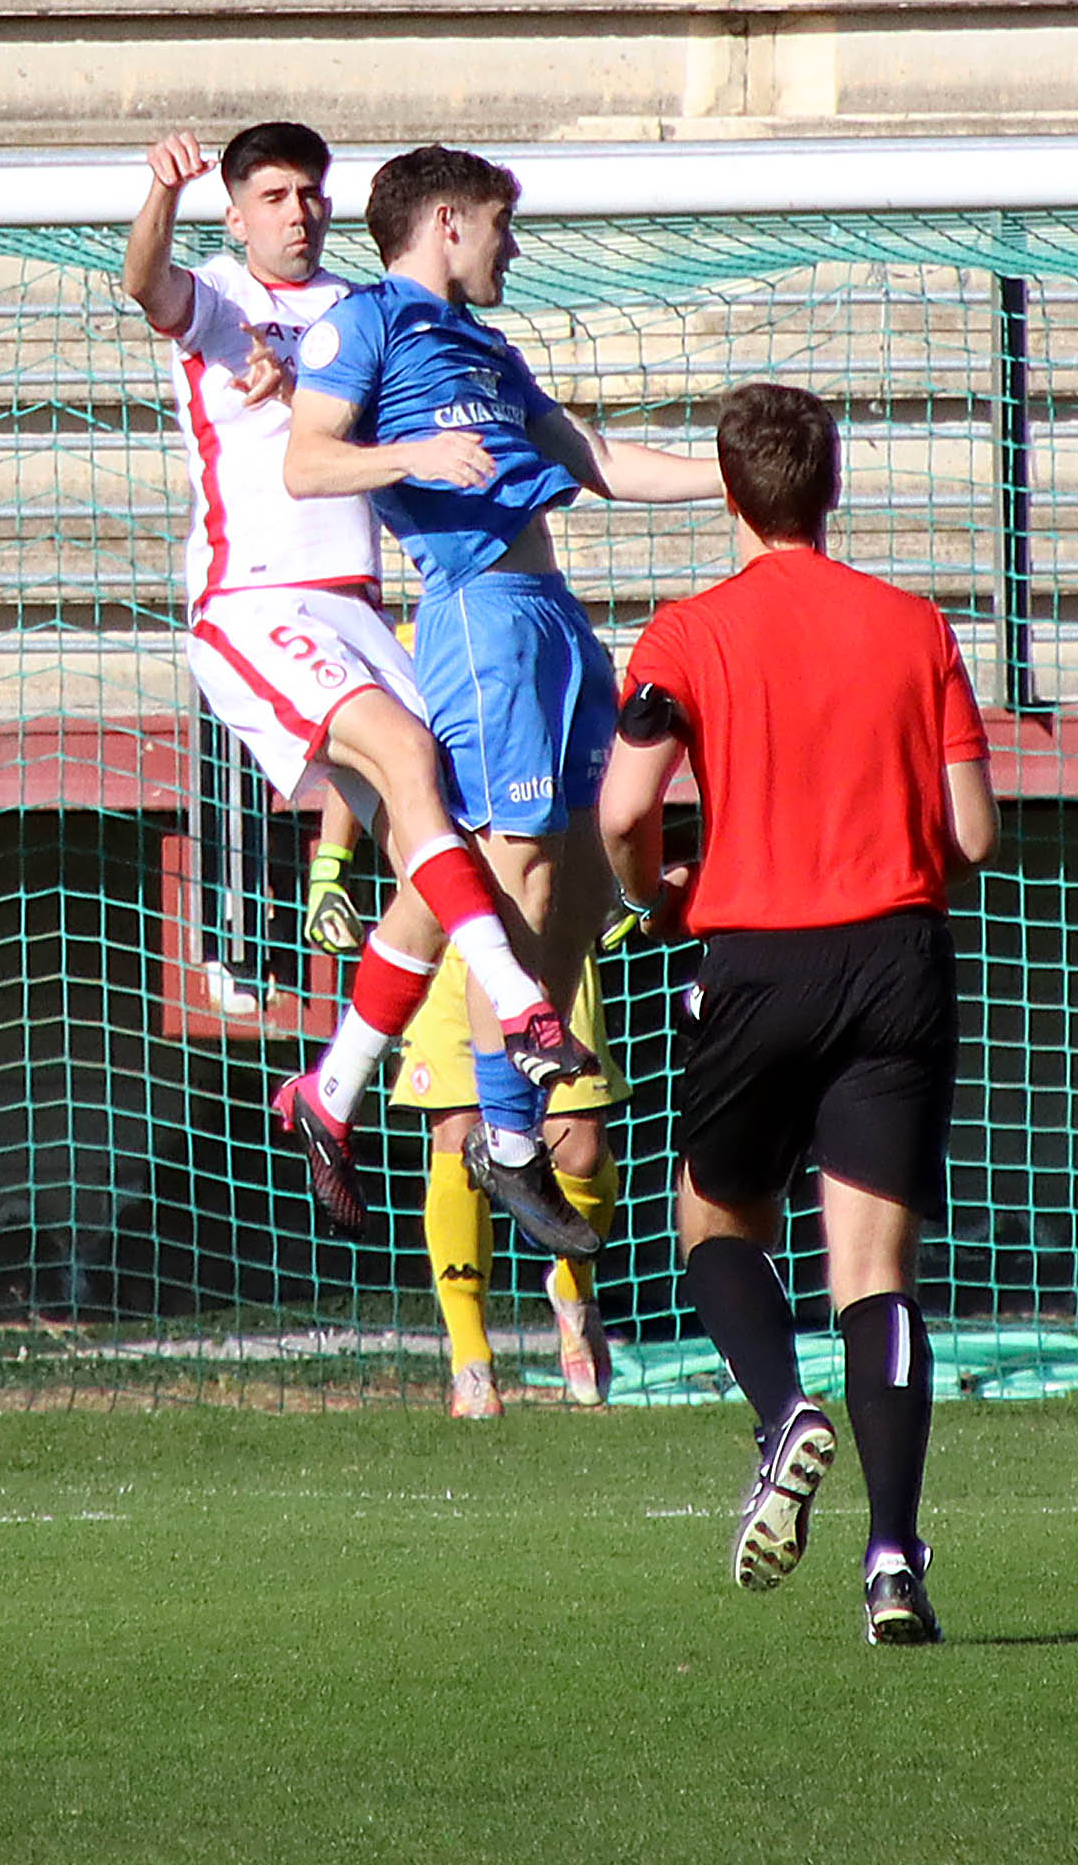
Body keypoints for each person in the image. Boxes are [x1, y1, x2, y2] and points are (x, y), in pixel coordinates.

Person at [115, 124, 596, 1258]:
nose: (297, 212)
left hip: (361, 608)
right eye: (273, 196)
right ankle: (523, 1012)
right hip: (258, 597)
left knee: (447, 864)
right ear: (234, 214)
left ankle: (329, 1093)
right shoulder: (220, 298)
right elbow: (142, 282)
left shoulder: (364, 314)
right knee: (413, 764)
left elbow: (376, 412)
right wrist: (156, 194)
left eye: (310, 194)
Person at [599, 383, 997, 1647]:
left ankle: (781, 1412)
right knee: (874, 1273)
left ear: (727, 493)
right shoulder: (915, 625)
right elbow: (975, 831)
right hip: (897, 958)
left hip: (756, 956)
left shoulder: (683, 636)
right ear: (833, 487)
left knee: (713, 1216)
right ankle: (893, 1560)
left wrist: (655, 890)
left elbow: (622, 811)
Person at [283, 145, 723, 1251]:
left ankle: (512, 1120)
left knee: (575, 889)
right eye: (500, 226)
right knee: (513, 866)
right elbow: (307, 462)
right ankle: (511, 1138)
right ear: (445, 223)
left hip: (554, 613)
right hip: (476, 613)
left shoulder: (486, 344)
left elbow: (598, 459)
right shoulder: (367, 323)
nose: (512, 248)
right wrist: (411, 450)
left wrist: (739, 474)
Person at [390, 951, 622, 1417]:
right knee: (458, 1138)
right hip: (452, 943)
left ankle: (574, 1288)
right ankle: (471, 1360)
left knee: (581, 1149)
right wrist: (327, 877)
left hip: (549, 943)